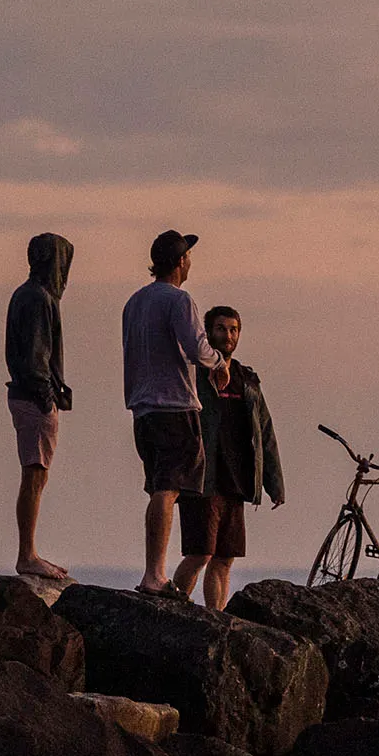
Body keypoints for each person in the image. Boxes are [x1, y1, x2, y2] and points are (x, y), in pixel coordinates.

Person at [123, 228, 229, 592]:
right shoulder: (179, 301)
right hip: (174, 407)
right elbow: (196, 348)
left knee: (160, 487)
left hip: (143, 409)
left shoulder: (134, 302)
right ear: (181, 261)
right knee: (167, 489)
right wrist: (219, 362)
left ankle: (162, 569)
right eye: (188, 257)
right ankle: (156, 574)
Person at [172, 305, 285, 611]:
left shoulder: (247, 380)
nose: (228, 335)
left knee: (224, 558)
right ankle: (172, 609)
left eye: (233, 329)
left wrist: (275, 484)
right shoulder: (193, 376)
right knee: (199, 553)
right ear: (208, 333)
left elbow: (265, 431)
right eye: (221, 329)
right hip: (201, 478)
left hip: (236, 479)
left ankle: (216, 618)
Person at [4, 232, 75, 583]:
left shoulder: (30, 295)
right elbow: (34, 358)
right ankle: (27, 554)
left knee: (38, 473)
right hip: (33, 396)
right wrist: (47, 395)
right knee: (34, 473)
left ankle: (28, 552)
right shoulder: (36, 298)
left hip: (31, 394)